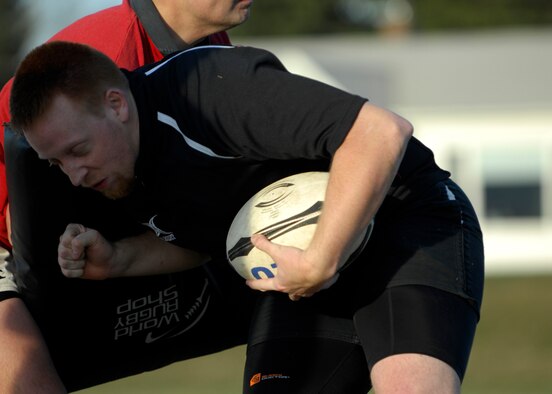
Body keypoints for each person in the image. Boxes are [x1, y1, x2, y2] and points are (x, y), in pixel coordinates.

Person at [9, 40, 485, 393]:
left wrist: (321, 258)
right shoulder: (120, 169)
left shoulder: (207, 88)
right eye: (57, 164)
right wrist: (117, 259)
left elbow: (381, 131)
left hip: (405, 224)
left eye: (77, 151)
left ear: (116, 105)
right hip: (300, 270)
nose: (72, 175)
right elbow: (206, 241)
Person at [0, 0, 254, 392]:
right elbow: (31, 178)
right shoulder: (106, 58)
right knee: (27, 375)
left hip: (102, 219)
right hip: (13, 224)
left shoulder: (209, 44)